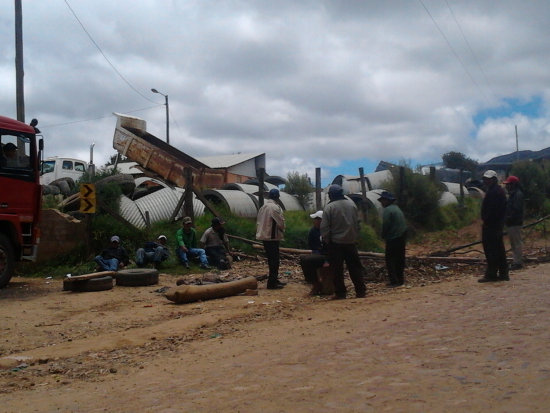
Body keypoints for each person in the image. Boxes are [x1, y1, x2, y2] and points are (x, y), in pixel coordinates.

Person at [320, 184, 366, 299]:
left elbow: (325, 227)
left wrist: (327, 241)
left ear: (331, 195)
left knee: (337, 270)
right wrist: (355, 236)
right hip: (351, 242)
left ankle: (341, 293)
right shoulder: (351, 205)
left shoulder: (329, 207)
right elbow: (358, 223)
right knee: (355, 268)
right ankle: (360, 291)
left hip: (336, 244)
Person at [478, 170, 509, 282]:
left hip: (492, 225)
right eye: (485, 178)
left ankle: (492, 274)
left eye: (488, 179)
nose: (486, 180)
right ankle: (503, 272)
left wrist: (486, 221)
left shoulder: (494, 192)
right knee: (498, 249)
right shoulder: (496, 191)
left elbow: (493, 210)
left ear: (494, 179)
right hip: (496, 225)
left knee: (492, 250)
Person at [256, 188, 286, 289]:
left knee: (271, 260)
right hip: (272, 237)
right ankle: (272, 283)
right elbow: (280, 223)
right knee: (275, 261)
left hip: (265, 236)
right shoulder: (274, 207)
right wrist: (282, 229)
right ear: (277, 197)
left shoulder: (263, 207)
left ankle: (274, 280)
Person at [378, 191, 408, 287]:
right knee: (400, 260)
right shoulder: (397, 209)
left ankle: (394, 281)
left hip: (393, 238)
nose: (381, 203)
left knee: (390, 260)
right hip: (401, 237)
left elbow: (386, 225)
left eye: (382, 200)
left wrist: (383, 235)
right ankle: (400, 279)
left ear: (386, 200)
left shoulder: (388, 210)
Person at [299, 211, 328, 294]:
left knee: (308, 261)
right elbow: (312, 245)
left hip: (327, 255)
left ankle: (317, 285)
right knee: (303, 258)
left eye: (316, 219)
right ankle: (314, 282)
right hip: (319, 253)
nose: (314, 221)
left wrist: (326, 259)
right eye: (315, 219)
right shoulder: (313, 231)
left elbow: (331, 248)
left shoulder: (327, 231)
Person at [503, 175, 524, 270]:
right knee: (514, 243)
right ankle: (516, 261)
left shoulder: (517, 195)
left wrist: (508, 217)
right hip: (512, 222)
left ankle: (518, 263)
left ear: (513, 184)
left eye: (509, 184)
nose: (507, 186)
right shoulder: (514, 194)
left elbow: (516, 209)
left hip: (515, 223)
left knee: (516, 243)